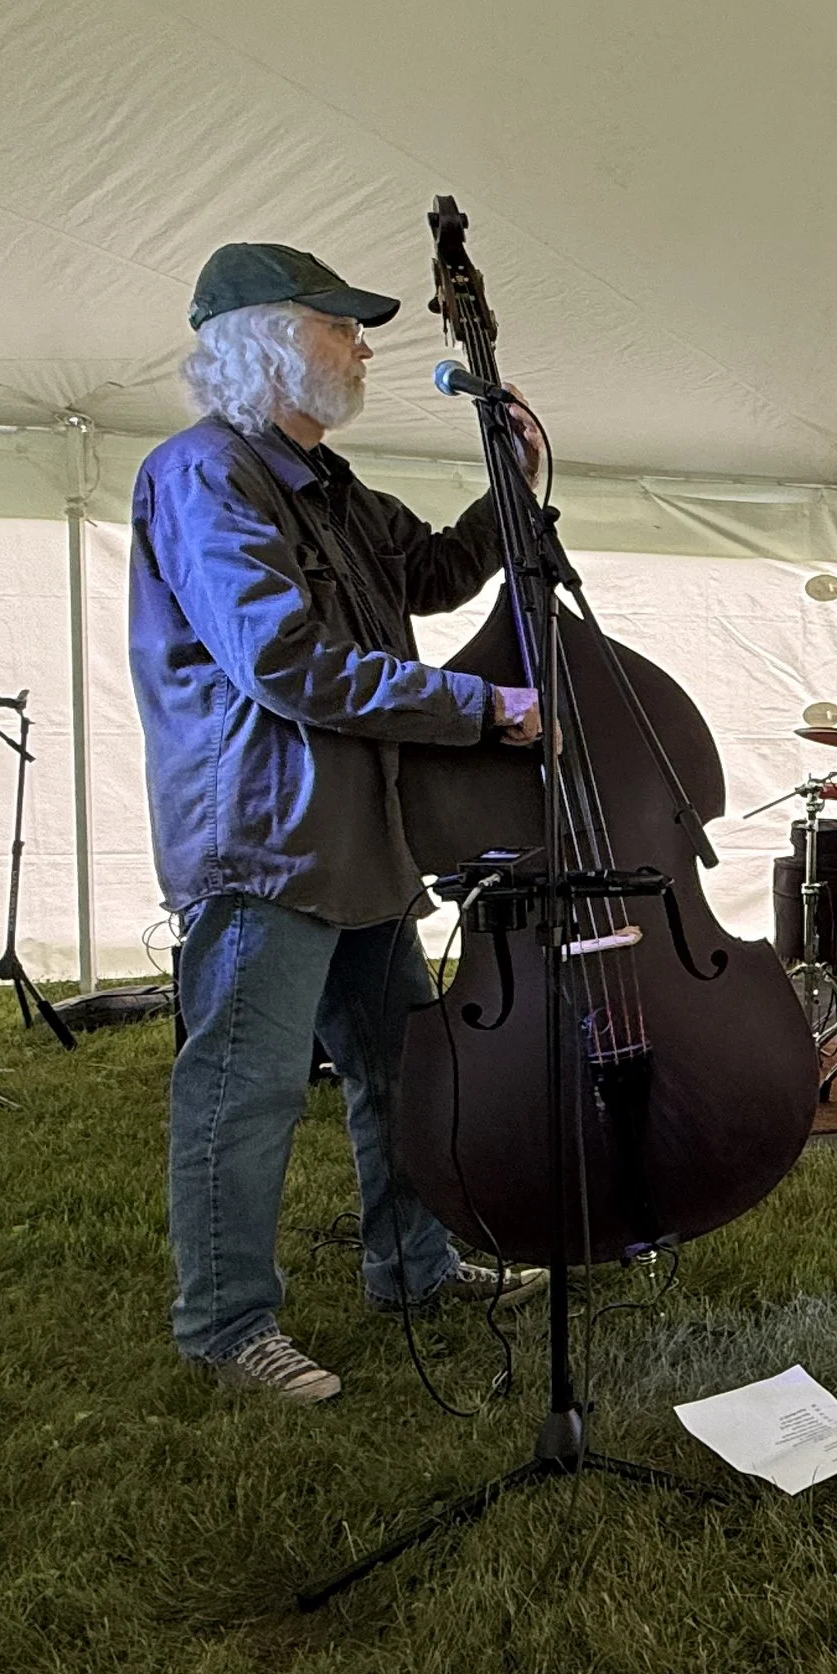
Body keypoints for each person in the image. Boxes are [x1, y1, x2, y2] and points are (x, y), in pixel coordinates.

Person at [132, 242, 552, 1403]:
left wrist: (509, 482)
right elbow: (282, 660)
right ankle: (225, 1329)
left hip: (360, 836)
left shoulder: (335, 488)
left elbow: (436, 573)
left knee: (401, 1070)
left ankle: (412, 1267)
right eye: (341, 326)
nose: (364, 346)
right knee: (245, 1086)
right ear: (268, 339)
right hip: (265, 836)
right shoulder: (204, 474)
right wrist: (480, 709)